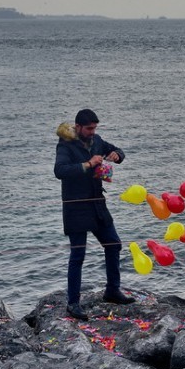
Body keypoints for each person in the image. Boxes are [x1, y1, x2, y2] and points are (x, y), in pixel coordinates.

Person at [54, 108, 135, 321]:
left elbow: (117, 151)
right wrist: (88, 164)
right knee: (78, 255)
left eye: (94, 128)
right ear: (78, 127)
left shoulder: (97, 140)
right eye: (89, 128)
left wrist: (117, 156)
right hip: (76, 207)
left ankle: (112, 291)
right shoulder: (65, 145)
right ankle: (73, 303)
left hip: (97, 204)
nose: (92, 132)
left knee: (113, 244)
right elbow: (60, 171)